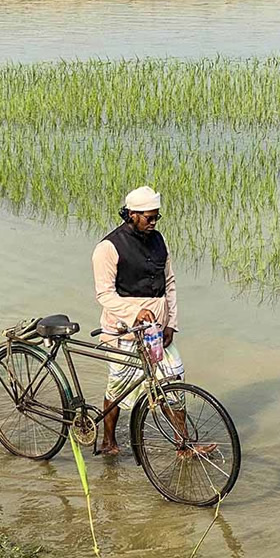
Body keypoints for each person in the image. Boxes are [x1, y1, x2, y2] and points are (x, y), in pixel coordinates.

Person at [92, 185, 183, 456]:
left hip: (156, 333)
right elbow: (104, 294)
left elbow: (169, 283)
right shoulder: (108, 248)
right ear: (131, 214)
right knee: (119, 385)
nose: (153, 222)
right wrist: (134, 314)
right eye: (148, 217)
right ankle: (108, 442)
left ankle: (184, 444)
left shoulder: (159, 241)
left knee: (172, 379)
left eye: (156, 217)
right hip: (124, 332)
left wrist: (171, 323)